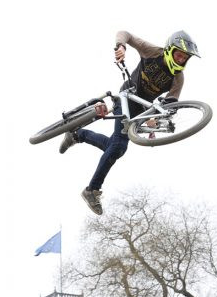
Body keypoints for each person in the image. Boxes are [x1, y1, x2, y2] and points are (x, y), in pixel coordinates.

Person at [59, 30, 200, 215]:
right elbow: (125, 34)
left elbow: (171, 103)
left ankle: (77, 135)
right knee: (118, 147)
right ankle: (91, 190)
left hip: (141, 108)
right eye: (179, 55)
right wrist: (121, 46)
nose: (181, 60)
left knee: (115, 146)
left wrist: (157, 118)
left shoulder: (178, 78)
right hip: (127, 96)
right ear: (170, 50)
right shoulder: (153, 52)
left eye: (184, 58)